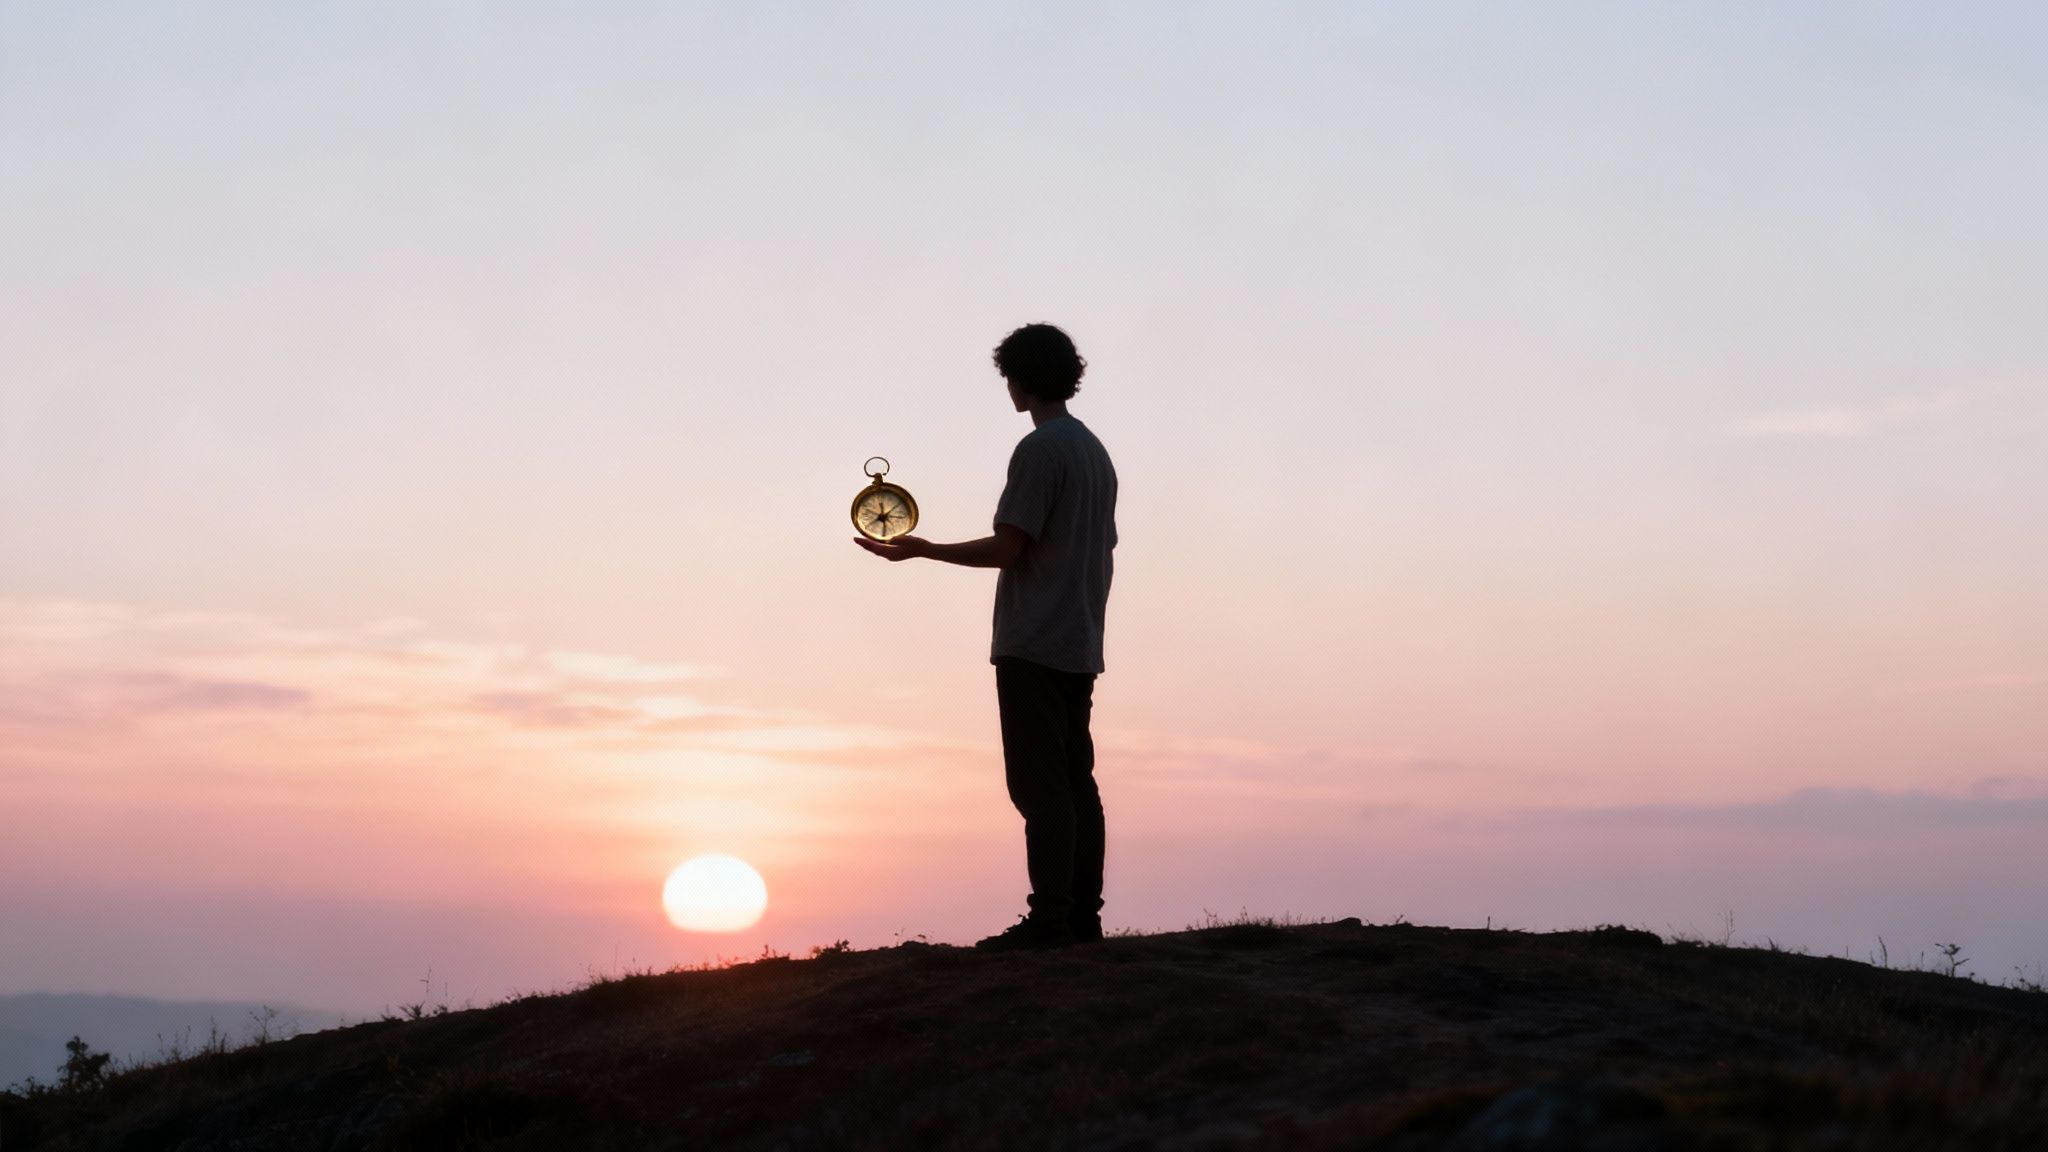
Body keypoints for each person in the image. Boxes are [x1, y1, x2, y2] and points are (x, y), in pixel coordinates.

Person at [854, 323, 1119, 951]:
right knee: (1076, 782)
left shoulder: (1040, 451)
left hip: (1033, 640)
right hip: (1080, 639)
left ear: (1020, 379)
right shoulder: (1094, 452)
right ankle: (1082, 919)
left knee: (1039, 786)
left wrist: (923, 551)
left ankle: (1052, 921)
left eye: (1008, 375)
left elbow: (1008, 547)